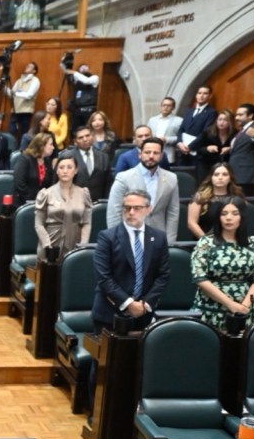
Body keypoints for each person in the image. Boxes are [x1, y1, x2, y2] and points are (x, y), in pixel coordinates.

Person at [91, 189, 170, 335]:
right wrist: (128, 303)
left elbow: (163, 275)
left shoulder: (159, 238)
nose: (131, 212)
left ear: (148, 209)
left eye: (137, 208)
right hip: (110, 314)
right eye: (127, 208)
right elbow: (103, 277)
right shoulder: (107, 237)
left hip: (143, 315)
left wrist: (145, 304)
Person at [190, 197, 254, 331]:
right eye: (224, 214)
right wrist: (230, 304)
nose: (228, 218)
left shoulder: (253, 243)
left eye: (234, 213)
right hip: (211, 308)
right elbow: (200, 278)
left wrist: (246, 305)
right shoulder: (206, 243)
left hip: (245, 310)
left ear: (242, 216)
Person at [107, 137, 180, 243]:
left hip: (158, 237)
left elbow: (173, 212)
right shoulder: (124, 178)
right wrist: (117, 240)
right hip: (129, 236)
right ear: (140, 154)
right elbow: (114, 211)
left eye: (156, 153)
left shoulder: (171, 178)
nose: (151, 156)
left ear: (161, 156)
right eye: (147, 152)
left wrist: (170, 242)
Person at [34, 155, 93, 262]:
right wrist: (48, 246)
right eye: (61, 167)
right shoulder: (46, 194)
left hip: (75, 244)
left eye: (69, 167)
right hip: (51, 243)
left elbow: (87, 222)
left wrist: (83, 245)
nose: (65, 171)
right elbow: (39, 224)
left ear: (76, 171)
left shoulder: (83, 193)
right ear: (57, 171)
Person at [188, 163, 244, 239]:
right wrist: (207, 241)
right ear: (211, 177)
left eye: (224, 174)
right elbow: (192, 223)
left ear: (230, 178)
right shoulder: (200, 197)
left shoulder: (238, 197)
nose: (220, 178)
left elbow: (242, 222)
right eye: (216, 174)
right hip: (205, 242)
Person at [228, 103, 254, 196]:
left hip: (245, 175)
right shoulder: (242, 131)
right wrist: (230, 148)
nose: (236, 118)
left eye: (240, 115)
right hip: (234, 173)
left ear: (250, 116)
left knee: (242, 204)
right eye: (236, 115)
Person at [61, 125, 112, 200]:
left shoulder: (103, 157)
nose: (85, 139)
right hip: (73, 203)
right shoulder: (67, 157)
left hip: (98, 203)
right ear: (75, 141)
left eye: (87, 136)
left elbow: (108, 183)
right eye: (80, 138)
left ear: (92, 136)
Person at [187, 109, 236, 182]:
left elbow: (239, 149)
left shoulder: (235, 134)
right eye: (219, 119)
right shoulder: (208, 132)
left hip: (224, 166)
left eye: (225, 120)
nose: (221, 122)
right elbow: (192, 147)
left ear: (230, 122)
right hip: (205, 165)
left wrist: (230, 149)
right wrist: (207, 149)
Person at [176, 85, 218, 166]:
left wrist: (190, 146)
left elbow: (205, 132)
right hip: (183, 152)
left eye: (205, 93)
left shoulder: (211, 112)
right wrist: (180, 143)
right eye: (199, 93)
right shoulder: (189, 111)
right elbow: (181, 129)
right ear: (196, 95)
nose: (201, 96)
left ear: (210, 96)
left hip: (197, 153)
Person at [13, 131, 56, 205]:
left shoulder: (47, 161)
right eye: (51, 144)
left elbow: (50, 183)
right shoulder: (25, 159)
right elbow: (19, 183)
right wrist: (35, 198)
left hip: (42, 202)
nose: (53, 147)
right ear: (42, 145)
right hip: (23, 201)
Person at [5, 62, 40, 137]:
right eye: (27, 65)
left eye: (30, 66)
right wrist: (4, 88)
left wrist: (15, 94)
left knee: (24, 133)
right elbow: (12, 95)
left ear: (34, 71)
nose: (27, 67)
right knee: (12, 132)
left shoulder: (35, 80)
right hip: (15, 110)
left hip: (26, 111)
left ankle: (23, 148)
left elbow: (29, 95)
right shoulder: (19, 80)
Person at [63, 62, 99, 130]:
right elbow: (69, 75)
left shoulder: (94, 78)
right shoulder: (78, 80)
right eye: (82, 68)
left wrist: (74, 72)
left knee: (89, 128)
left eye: (85, 67)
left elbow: (86, 81)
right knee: (76, 129)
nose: (84, 70)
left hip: (89, 109)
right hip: (78, 110)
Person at [147, 97, 183, 163]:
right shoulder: (152, 120)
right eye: (164, 105)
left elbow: (181, 138)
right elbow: (147, 134)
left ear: (173, 108)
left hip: (168, 152)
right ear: (160, 106)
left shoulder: (179, 121)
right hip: (152, 153)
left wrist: (167, 139)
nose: (165, 107)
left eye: (169, 106)